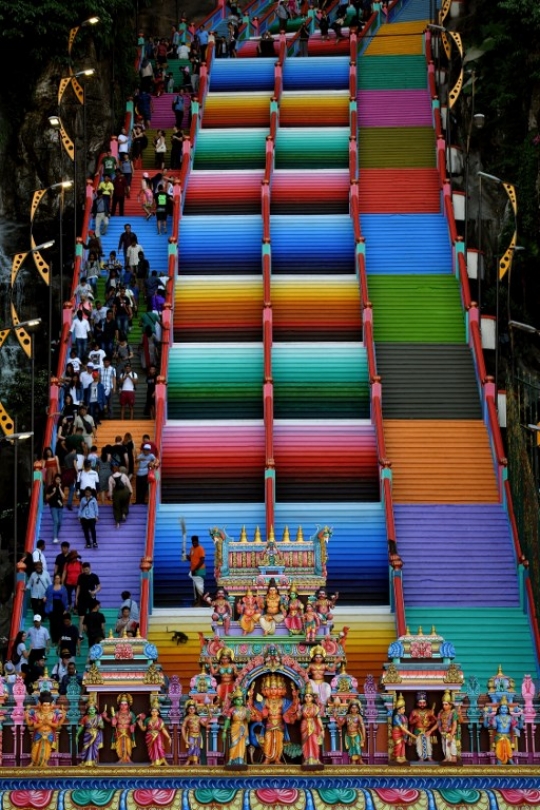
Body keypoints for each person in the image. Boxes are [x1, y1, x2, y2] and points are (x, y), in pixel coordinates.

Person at [248, 674, 300, 765]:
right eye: (271, 688)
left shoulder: (283, 701)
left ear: (281, 688)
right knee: (268, 739)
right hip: (269, 723)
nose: (273, 690)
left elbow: (293, 707)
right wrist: (251, 696)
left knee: (279, 741)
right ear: (266, 689)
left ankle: (277, 759)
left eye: (276, 688)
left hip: (279, 723)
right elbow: (253, 709)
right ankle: (267, 759)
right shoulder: (265, 701)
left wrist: (295, 696)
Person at [25, 691, 65, 767]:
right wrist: (41, 723)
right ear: (40, 705)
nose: (46, 708)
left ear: (51, 706)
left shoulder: (53, 715)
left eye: (48, 705)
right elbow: (32, 725)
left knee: (47, 750)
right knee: (35, 748)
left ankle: (45, 763)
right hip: (38, 734)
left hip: (49, 734)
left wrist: (50, 723)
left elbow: (56, 725)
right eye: (44, 705)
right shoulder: (37, 714)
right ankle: (33, 762)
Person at [484, 698, 520, 765]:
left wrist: (516, 729)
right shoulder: (496, 717)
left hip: (507, 736)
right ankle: (499, 760)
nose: (504, 710)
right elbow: (486, 726)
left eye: (505, 708)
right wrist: (485, 718)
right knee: (499, 749)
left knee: (508, 749)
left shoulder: (510, 718)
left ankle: (510, 760)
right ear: (499, 710)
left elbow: (515, 726)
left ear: (507, 710)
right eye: (502, 708)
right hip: (499, 736)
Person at [103, 693, 137, 763]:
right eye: (122, 704)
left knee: (127, 744)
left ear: (128, 705)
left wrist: (133, 726)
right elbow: (111, 721)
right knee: (119, 745)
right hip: (118, 732)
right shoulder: (116, 713)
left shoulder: (131, 714)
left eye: (125, 704)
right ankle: (121, 758)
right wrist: (105, 717)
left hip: (127, 731)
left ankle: (127, 757)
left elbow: (134, 722)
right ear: (119, 705)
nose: (123, 706)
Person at [222, 686, 250, 766]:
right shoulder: (232, 710)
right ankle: (231, 760)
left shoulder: (245, 709)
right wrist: (224, 731)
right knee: (234, 744)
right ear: (234, 701)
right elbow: (227, 720)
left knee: (242, 745)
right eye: (238, 699)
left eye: (241, 699)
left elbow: (248, 721)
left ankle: (240, 760)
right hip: (235, 728)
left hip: (243, 728)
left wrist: (248, 715)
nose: (240, 701)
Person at [335, 698, 366, 765]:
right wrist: (336, 717)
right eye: (352, 708)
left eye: (355, 708)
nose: (354, 709)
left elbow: (363, 727)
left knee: (357, 748)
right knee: (351, 748)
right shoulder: (347, 716)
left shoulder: (359, 717)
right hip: (349, 735)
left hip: (356, 734)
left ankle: (360, 760)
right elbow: (341, 724)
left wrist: (363, 738)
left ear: (358, 709)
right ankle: (353, 761)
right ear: (350, 709)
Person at [409, 691, 437, 762]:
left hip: (427, 731)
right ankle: (421, 757)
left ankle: (429, 757)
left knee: (428, 744)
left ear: (426, 703)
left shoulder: (429, 711)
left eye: (424, 703)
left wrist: (431, 720)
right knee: (419, 744)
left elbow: (436, 721)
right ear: (417, 703)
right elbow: (410, 722)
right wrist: (415, 720)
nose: (422, 705)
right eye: (420, 703)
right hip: (418, 731)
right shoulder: (414, 712)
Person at [299, 684, 324, 766]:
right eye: (306, 696)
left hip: (313, 726)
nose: (308, 698)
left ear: (312, 698)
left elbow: (319, 718)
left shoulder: (315, 707)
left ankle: (316, 759)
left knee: (314, 742)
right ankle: (306, 758)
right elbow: (298, 717)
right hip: (305, 725)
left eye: (309, 696)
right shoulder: (302, 707)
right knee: (306, 743)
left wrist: (322, 729)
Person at [75, 562, 101, 637]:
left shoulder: (94, 576)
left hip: (91, 599)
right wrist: (76, 598)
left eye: (87, 569)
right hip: (82, 598)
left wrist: (94, 591)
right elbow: (78, 587)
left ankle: (92, 632)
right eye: (84, 569)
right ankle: (80, 634)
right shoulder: (80, 576)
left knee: (92, 616)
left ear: (89, 568)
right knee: (81, 616)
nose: (85, 571)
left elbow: (99, 586)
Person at [77, 697, 105, 766]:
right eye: (90, 709)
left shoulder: (99, 717)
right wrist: (77, 735)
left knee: (94, 749)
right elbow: (81, 727)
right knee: (85, 747)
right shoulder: (85, 718)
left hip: (96, 735)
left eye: (93, 709)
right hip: (88, 734)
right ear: (88, 710)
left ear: (95, 710)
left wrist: (101, 724)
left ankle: (93, 761)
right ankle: (84, 761)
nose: (92, 711)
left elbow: (102, 727)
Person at [44, 574, 69, 644]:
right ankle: (54, 640)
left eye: (58, 578)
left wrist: (65, 609)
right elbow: (46, 595)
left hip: (60, 606)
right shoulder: (49, 587)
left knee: (60, 624)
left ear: (60, 579)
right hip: (52, 606)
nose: (57, 580)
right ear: (54, 579)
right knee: (52, 624)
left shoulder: (63, 588)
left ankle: (59, 640)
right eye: (56, 578)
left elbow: (66, 599)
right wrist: (45, 598)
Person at [391, 694, 415, 763]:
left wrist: (407, 735)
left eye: (404, 708)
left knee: (403, 745)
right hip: (397, 733)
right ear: (399, 709)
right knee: (399, 744)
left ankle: (403, 756)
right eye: (403, 708)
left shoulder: (404, 717)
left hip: (403, 733)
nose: (404, 710)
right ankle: (397, 757)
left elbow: (406, 726)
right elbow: (402, 727)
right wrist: (411, 735)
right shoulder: (396, 717)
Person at [108, 462, 133, 528]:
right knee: (125, 503)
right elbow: (128, 484)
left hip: (117, 493)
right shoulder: (124, 475)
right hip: (125, 491)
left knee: (117, 507)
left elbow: (110, 490)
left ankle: (117, 522)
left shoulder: (111, 478)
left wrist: (110, 496)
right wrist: (131, 492)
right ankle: (124, 513)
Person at [437, 691, 460, 763]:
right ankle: (447, 758)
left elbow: (455, 725)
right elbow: (438, 723)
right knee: (445, 746)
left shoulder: (453, 713)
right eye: (443, 704)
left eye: (446, 704)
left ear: (450, 705)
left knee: (451, 745)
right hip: (443, 733)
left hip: (451, 733)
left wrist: (451, 735)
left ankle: (453, 758)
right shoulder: (441, 713)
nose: (444, 706)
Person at [181, 700, 204, 765]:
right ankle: (188, 761)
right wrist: (185, 740)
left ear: (195, 710)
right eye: (190, 709)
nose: (192, 710)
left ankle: (195, 761)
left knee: (197, 748)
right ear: (187, 710)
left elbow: (205, 724)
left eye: (193, 708)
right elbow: (183, 728)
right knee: (191, 748)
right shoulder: (187, 718)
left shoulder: (198, 718)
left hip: (198, 735)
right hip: (191, 735)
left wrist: (209, 718)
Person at [45, 474, 64, 544]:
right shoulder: (50, 487)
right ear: (54, 479)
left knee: (60, 522)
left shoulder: (61, 487)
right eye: (57, 479)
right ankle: (55, 537)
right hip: (53, 506)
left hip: (60, 506)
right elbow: (47, 497)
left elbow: (64, 496)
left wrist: (59, 488)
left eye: (59, 479)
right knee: (56, 521)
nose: (58, 481)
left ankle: (56, 535)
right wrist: (53, 492)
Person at [188, 535, 205, 606]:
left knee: (199, 587)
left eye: (196, 542)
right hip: (193, 570)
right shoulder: (191, 548)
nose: (194, 544)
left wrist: (195, 569)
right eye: (193, 542)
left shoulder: (200, 548)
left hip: (200, 570)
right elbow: (191, 559)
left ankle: (199, 602)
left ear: (198, 541)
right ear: (192, 542)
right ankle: (197, 601)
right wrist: (187, 557)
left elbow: (202, 560)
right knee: (195, 587)